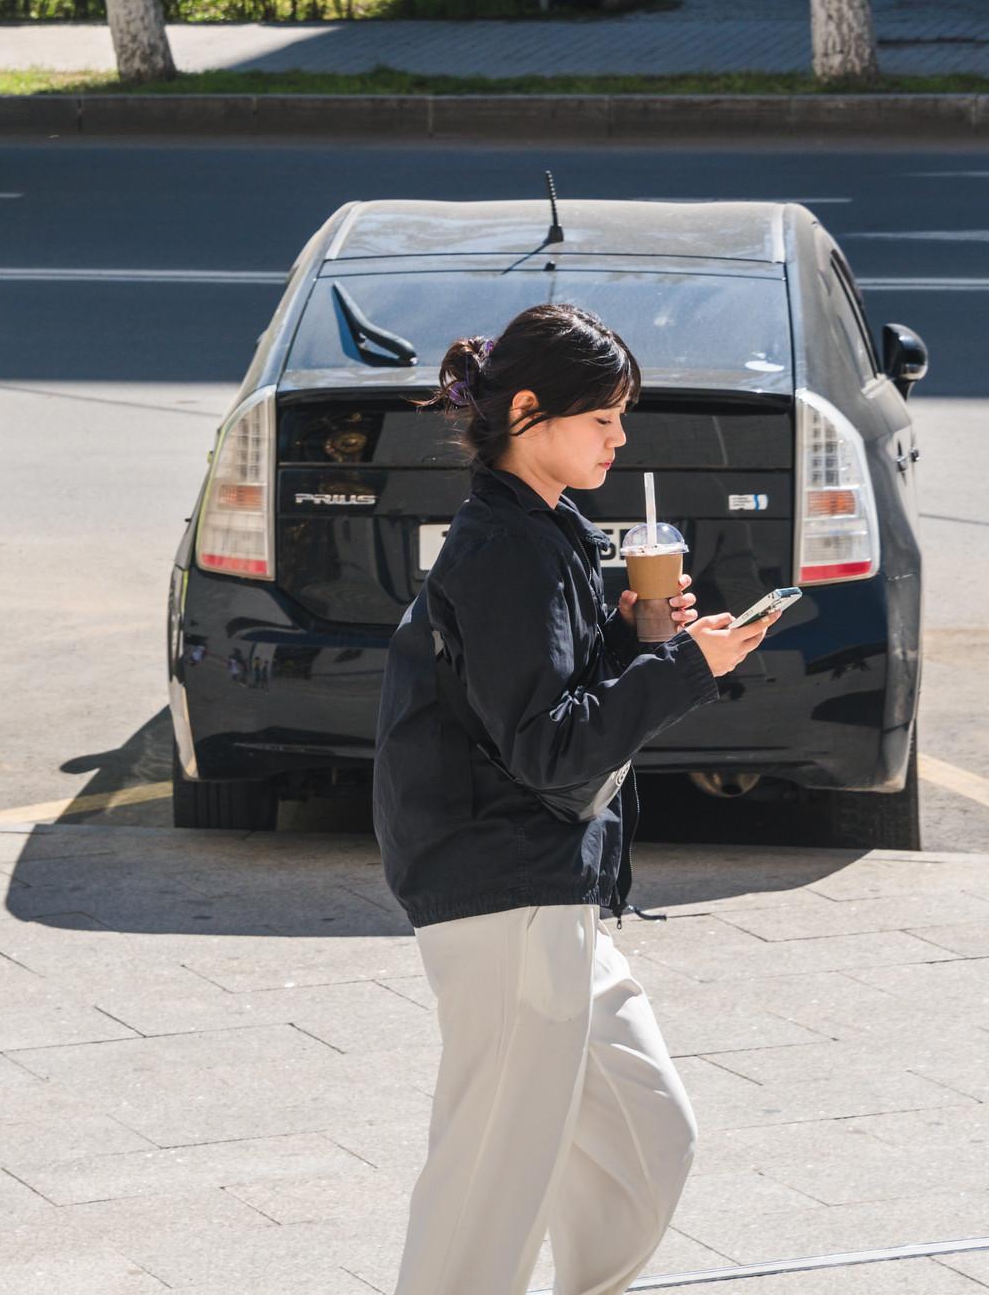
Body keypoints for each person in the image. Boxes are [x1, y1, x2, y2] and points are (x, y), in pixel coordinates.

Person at [372, 302, 783, 1295]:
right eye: (601, 416)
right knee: (487, 1194)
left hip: (545, 890)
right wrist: (682, 663)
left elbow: (540, 706)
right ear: (526, 410)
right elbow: (550, 749)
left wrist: (638, 637)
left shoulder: (542, 531)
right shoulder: (507, 546)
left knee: (650, 1145)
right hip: (507, 892)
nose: (619, 435)